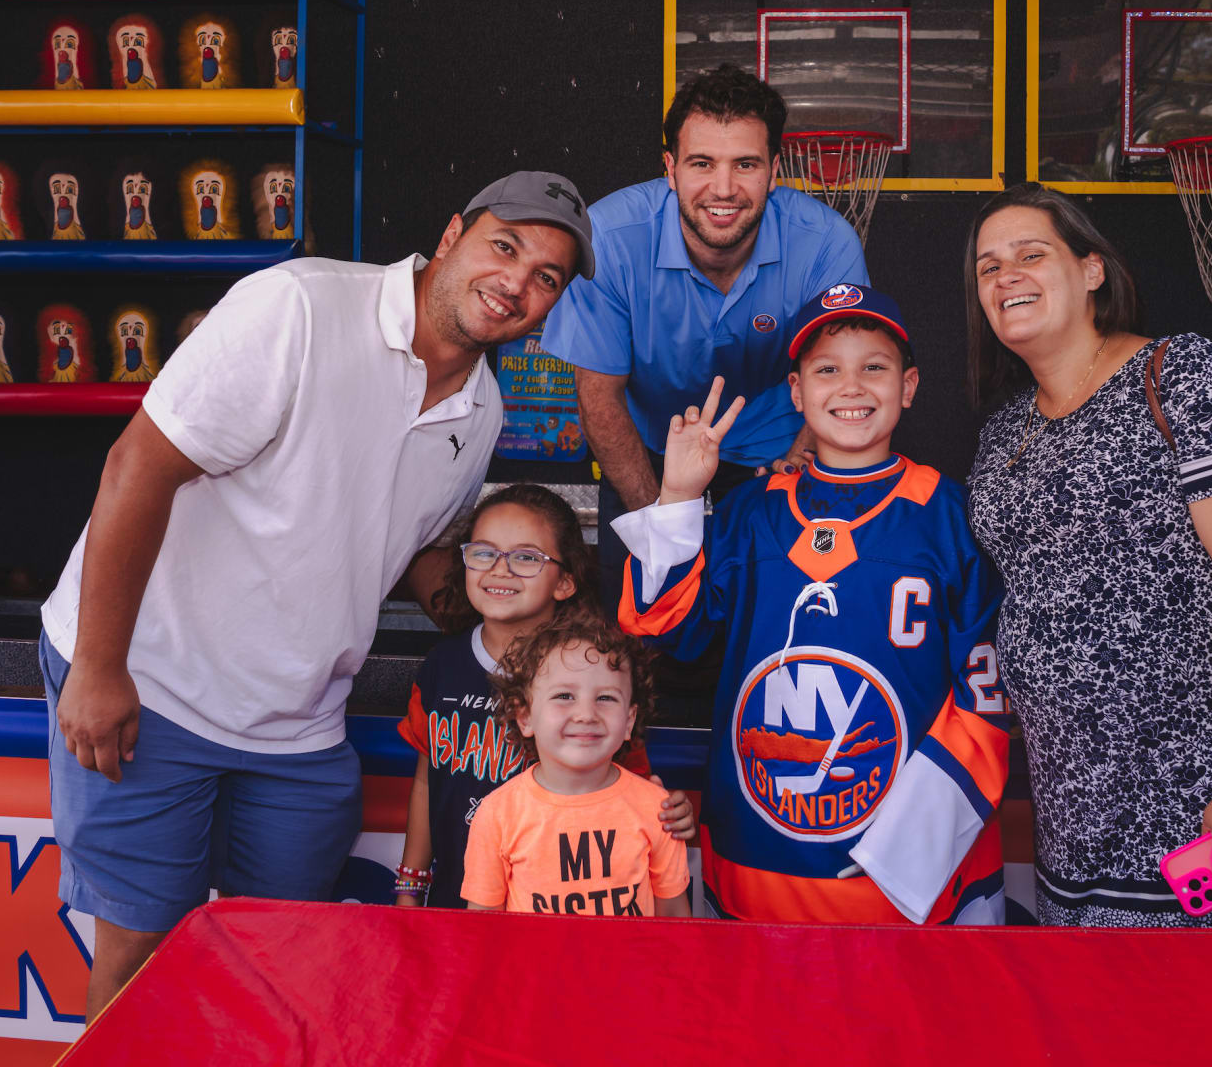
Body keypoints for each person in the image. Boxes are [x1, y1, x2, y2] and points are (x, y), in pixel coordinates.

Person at [37, 170, 595, 1020]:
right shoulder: (299, 307)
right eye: (504, 246)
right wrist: (100, 666)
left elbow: (414, 549)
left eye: (545, 276)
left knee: (285, 958)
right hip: (155, 682)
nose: (516, 282)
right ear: (451, 236)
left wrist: (541, 621)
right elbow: (137, 467)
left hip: (298, 721)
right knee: (141, 956)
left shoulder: (482, 410)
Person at [963, 183, 1212, 928]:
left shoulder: (1180, 376)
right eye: (989, 267)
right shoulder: (1003, 435)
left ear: (1092, 270)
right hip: (1076, 838)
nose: (1007, 277)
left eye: (1031, 255)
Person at [615, 285, 1010, 925]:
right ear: (797, 394)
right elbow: (664, 629)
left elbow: (986, 696)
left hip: (902, 873)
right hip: (756, 859)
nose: (851, 387)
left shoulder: (951, 516)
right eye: (827, 370)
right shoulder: (751, 511)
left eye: (873, 367)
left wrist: (909, 842)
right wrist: (680, 496)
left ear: (909, 386)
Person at [539, 63, 870, 604]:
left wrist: (800, 465)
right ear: (670, 168)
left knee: (775, 613)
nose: (724, 188)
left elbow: (840, 378)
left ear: (774, 169)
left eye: (746, 164)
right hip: (648, 445)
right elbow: (598, 396)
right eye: (701, 163)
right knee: (645, 616)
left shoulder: (826, 243)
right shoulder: (610, 238)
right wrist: (663, 524)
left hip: (774, 444)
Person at [392, 484, 696, 909]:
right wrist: (410, 884)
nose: (500, 569)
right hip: (457, 903)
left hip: (555, 908)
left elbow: (635, 789)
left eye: (526, 557)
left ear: (565, 581)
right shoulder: (441, 665)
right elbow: (428, 779)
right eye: (484, 552)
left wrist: (669, 811)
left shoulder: (597, 677)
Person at [460, 612, 693, 917]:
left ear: (629, 720)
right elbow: (482, 927)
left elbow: (675, 920)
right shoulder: (496, 815)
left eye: (606, 698)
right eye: (564, 695)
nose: (586, 714)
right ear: (524, 716)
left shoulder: (658, 810)